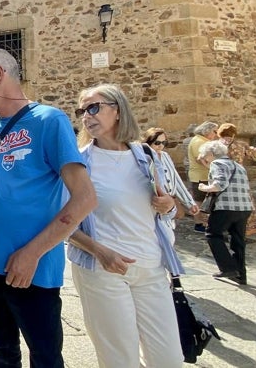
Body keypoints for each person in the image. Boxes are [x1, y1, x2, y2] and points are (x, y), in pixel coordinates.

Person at [0, 49, 97, 368]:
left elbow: (85, 198)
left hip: (30, 270)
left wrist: (32, 253)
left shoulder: (49, 120)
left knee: (45, 356)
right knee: (2, 349)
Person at [67, 84, 184, 368]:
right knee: (120, 360)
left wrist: (168, 205)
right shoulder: (79, 163)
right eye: (82, 111)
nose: (86, 116)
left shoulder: (146, 155)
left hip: (151, 268)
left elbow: (173, 209)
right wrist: (99, 251)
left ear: (117, 111)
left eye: (93, 108)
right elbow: (62, 223)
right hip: (103, 270)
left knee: (169, 359)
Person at [198, 140, 253, 285]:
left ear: (211, 154)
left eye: (204, 155)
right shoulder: (239, 166)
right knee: (238, 241)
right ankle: (241, 275)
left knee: (213, 234)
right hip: (244, 207)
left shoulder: (217, 164)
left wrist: (203, 187)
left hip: (226, 207)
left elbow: (219, 184)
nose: (204, 158)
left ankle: (228, 268)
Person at [142, 127, 199, 221]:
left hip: (168, 205)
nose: (160, 146)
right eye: (157, 143)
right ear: (148, 142)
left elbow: (175, 180)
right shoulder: (144, 158)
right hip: (152, 204)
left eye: (164, 143)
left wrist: (189, 203)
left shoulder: (165, 156)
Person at [187, 121, 219, 232]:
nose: (216, 134)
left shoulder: (202, 140)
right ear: (207, 130)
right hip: (200, 175)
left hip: (203, 175)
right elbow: (201, 159)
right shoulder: (199, 141)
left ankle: (205, 222)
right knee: (200, 200)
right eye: (214, 131)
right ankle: (199, 223)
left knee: (204, 200)